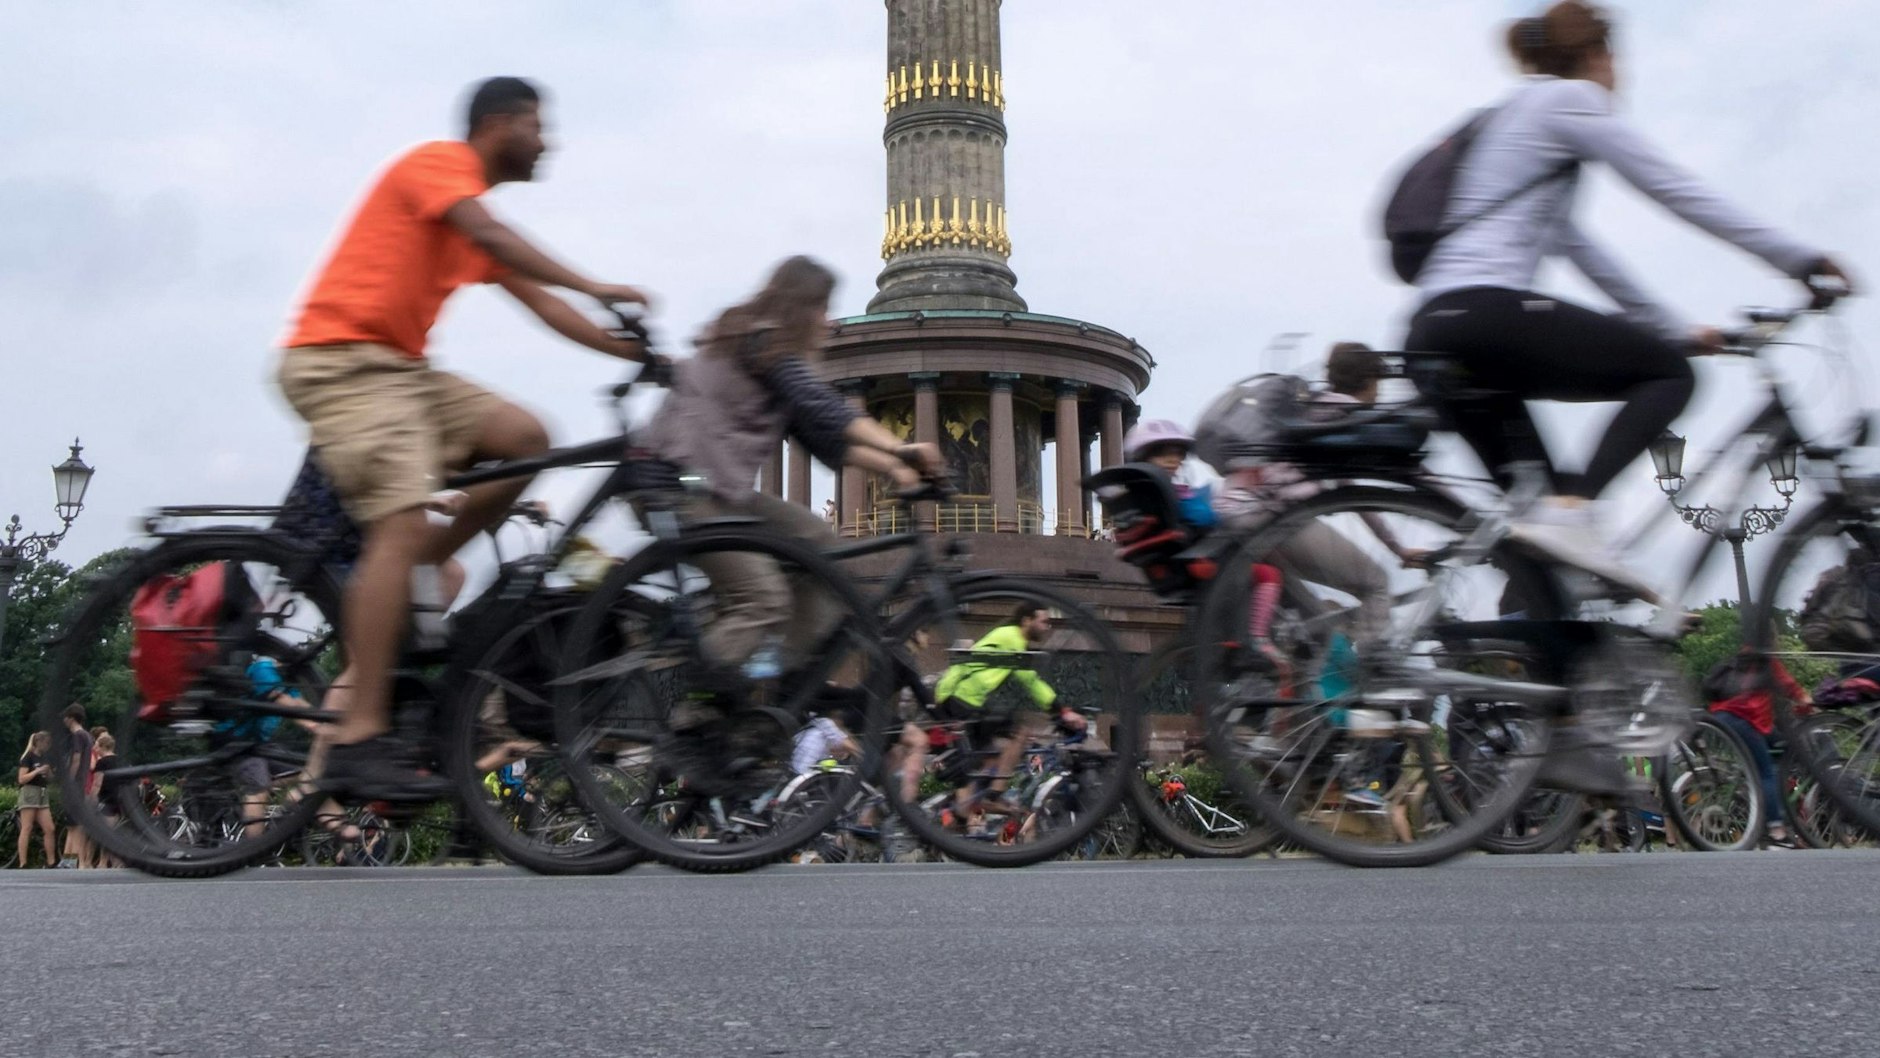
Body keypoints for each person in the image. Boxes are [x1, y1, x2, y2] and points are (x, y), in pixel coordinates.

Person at [276, 76, 654, 796]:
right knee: (399, 520)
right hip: (339, 359)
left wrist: (645, 357)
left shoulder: (469, 214)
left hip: (399, 371)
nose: (548, 141)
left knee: (527, 435)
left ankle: (415, 573)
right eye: (538, 125)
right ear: (498, 124)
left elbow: (546, 308)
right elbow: (493, 236)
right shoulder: (437, 168)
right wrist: (599, 284)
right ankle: (357, 737)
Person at [1403, 1, 1851, 596]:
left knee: (1540, 530)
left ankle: (1547, 653)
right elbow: (1677, 190)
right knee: (1668, 375)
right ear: (1597, 55)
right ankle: (1575, 511)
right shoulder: (1570, 100)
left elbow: (1580, 247)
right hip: (1483, 314)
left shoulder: (1514, 118)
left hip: (1435, 331)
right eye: (1617, 58)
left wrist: (1673, 324)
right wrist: (1798, 259)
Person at [638, 255, 946, 791]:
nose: (828, 323)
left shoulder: (768, 351)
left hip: (719, 490)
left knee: (823, 547)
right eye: (823, 309)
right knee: (763, 599)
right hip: (677, 484)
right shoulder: (760, 338)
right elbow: (822, 407)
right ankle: (696, 714)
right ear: (800, 305)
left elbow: (826, 436)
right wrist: (903, 447)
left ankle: (774, 685)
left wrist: (898, 466)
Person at [932, 603, 1086, 815]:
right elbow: (1029, 681)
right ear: (1026, 621)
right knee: (1019, 734)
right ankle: (994, 794)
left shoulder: (1008, 636)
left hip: (964, 698)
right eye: (1043, 621)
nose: (1047, 627)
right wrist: (1061, 711)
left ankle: (964, 810)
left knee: (986, 758)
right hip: (966, 698)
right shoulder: (1012, 637)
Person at [1703, 650, 1808, 848]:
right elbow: (1788, 685)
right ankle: (1777, 833)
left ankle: (1761, 814)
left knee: (1773, 751)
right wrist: (1805, 700)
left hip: (1720, 716)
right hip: (1743, 718)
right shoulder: (1765, 657)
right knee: (1766, 772)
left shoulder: (1741, 657)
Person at [59, 705, 93, 868]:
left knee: (76, 825)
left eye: (65, 717)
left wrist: (69, 781)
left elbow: (76, 760)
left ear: (71, 718)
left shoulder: (77, 736)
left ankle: (80, 862)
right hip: (84, 783)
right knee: (72, 824)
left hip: (76, 784)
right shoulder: (87, 735)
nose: (64, 720)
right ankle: (69, 860)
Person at [15, 733, 56, 868]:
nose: (48, 746)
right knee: (27, 827)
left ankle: (51, 862)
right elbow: (21, 779)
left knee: (49, 828)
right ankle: (23, 862)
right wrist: (36, 771)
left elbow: (50, 779)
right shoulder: (28, 757)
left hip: (42, 792)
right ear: (38, 742)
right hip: (30, 791)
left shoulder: (45, 758)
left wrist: (49, 772)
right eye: (46, 743)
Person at [89, 734, 123, 868]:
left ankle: (103, 862)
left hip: (106, 799)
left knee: (106, 832)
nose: (94, 747)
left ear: (103, 746)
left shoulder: (102, 762)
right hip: (120, 799)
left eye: (96, 744)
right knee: (116, 831)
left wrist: (92, 800)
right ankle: (116, 861)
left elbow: (97, 783)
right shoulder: (120, 760)